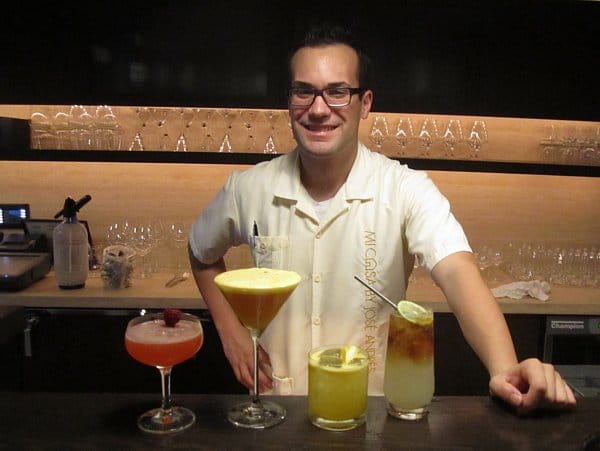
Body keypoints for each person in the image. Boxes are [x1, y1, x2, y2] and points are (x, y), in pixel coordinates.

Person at [188, 23, 576, 415]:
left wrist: (505, 369)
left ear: (365, 103)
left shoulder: (406, 189)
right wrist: (231, 332)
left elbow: (458, 272)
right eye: (304, 91)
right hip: (277, 414)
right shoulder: (248, 188)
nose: (319, 109)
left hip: (372, 418)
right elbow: (201, 251)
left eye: (338, 92)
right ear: (289, 101)